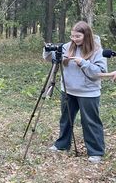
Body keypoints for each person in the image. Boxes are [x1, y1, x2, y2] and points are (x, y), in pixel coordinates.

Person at [43, 21, 107, 163]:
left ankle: (95, 151)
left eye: (78, 36)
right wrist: (48, 50)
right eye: (72, 36)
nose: (74, 39)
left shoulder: (97, 50)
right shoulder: (67, 47)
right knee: (66, 119)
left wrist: (83, 63)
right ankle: (62, 145)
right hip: (68, 90)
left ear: (86, 35)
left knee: (90, 121)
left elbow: (101, 72)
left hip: (88, 92)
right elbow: (52, 59)